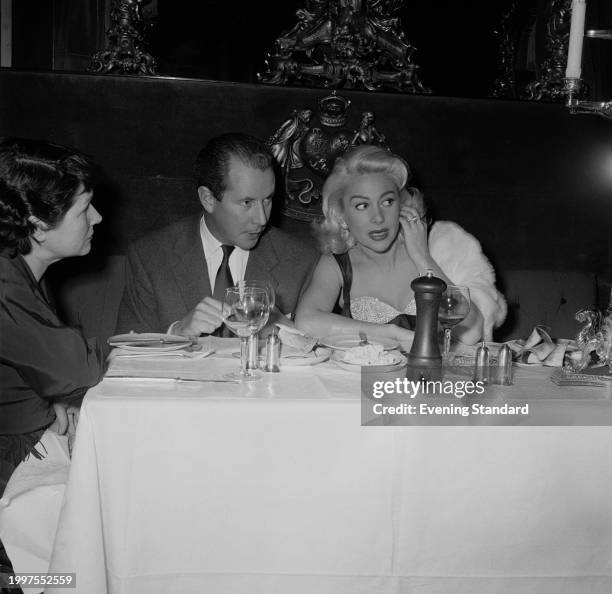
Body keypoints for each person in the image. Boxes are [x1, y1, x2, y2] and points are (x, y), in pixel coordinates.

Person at [0, 138, 106, 585]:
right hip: (11, 470)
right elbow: (79, 368)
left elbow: (47, 368)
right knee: (82, 560)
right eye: (84, 209)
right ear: (37, 224)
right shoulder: (5, 284)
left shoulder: (21, 272)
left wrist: (54, 396)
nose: (97, 218)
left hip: (31, 441)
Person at [294, 145, 506, 344]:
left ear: (402, 205)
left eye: (387, 202)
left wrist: (423, 258)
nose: (378, 217)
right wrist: (389, 333)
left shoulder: (436, 249)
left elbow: (472, 330)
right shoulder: (337, 264)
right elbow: (306, 321)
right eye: (362, 205)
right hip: (367, 381)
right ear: (342, 217)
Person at [116, 133, 318, 336]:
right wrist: (176, 333)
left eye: (267, 199)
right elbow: (122, 355)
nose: (262, 219)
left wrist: (286, 329)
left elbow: (321, 355)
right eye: (247, 203)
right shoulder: (149, 258)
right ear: (208, 199)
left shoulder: (301, 261)